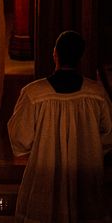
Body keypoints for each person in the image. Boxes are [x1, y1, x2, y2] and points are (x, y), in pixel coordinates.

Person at [8, 30, 112, 222]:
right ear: (80, 56)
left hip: (45, 177)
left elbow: (20, 139)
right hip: (85, 177)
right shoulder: (96, 93)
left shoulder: (33, 94)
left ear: (54, 53)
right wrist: (89, 149)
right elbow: (109, 135)